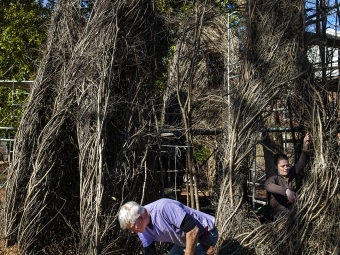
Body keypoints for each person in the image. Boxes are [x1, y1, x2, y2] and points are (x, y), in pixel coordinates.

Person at [118, 198, 218, 255]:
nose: (132, 231)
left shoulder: (164, 208)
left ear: (140, 217)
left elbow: (193, 231)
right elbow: (150, 252)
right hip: (183, 241)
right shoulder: (142, 229)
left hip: (205, 234)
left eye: (131, 227)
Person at [265, 133, 311, 218]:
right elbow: (268, 185)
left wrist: (305, 146)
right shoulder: (273, 176)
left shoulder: (289, 173)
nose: (286, 168)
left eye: (287, 165)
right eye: (282, 166)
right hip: (274, 217)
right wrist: (286, 191)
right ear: (276, 166)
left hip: (289, 216)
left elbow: (300, 165)